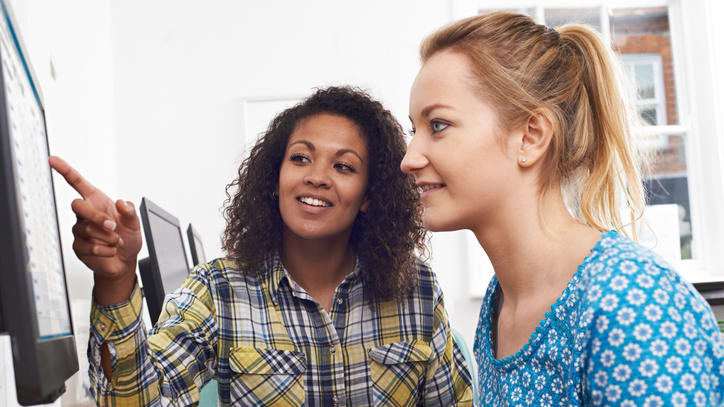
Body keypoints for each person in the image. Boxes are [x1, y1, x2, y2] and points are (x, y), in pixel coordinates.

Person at [51, 86, 473, 406]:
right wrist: (117, 278)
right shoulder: (218, 290)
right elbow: (139, 401)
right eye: (301, 159)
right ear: (275, 179)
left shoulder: (414, 288)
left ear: (368, 195)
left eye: (343, 166)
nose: (316, 177)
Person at [401, 11, 724, 406]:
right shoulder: (500, 301)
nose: (410, 158)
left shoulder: (632, 303)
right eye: (413, 129)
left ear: (531, 137)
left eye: (438, 126)